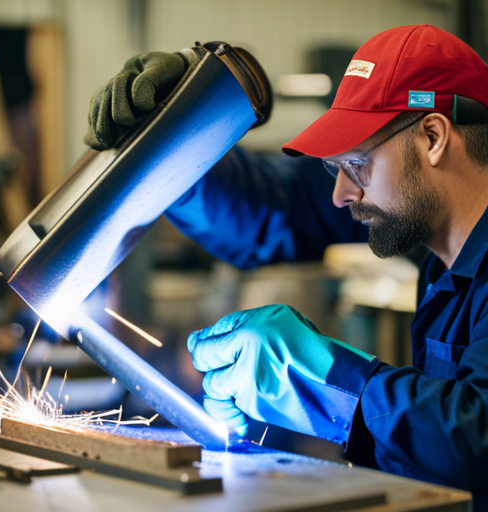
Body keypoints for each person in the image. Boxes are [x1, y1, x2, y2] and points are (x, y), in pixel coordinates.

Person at [85, 25, 488, 508]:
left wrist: (329, 380)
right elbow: (279, 207)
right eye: (334, 169)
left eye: (357, 164)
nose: (342, 194)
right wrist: (178, 142)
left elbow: (478, 435)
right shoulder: (434, 239)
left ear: (433, 137)